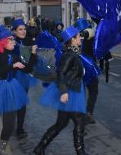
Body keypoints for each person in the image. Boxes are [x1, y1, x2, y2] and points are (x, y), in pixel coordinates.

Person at [35, 26, 87, 155]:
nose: (80, 38)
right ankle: (81, 152)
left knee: (61, 124)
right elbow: (60, 73)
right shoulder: (70, 55)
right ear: (72, 40)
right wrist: (64, 92)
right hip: (70, 92)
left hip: (71, 89)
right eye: (78, 36)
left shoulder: (74, 53)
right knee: (79, 121)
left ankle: (40, 148)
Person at [12, 19, 38, 139]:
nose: (23, 31)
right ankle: (9, 126)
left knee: (21, 103)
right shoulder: (11, 43)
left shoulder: (29, 42)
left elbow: (30, 66)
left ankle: (20, 128)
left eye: (24, 29)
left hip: (23, 77)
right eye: (20, 29)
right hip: (12, 77)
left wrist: (33, 53)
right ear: (14, 31)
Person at [75, 18, 99, 124]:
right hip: (89, 69)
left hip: (78, 69)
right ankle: (88, 113)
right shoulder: (88, 36)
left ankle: (83, 114)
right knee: (93, 90)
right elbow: (92, 33)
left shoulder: (75, 37)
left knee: (82, 92)